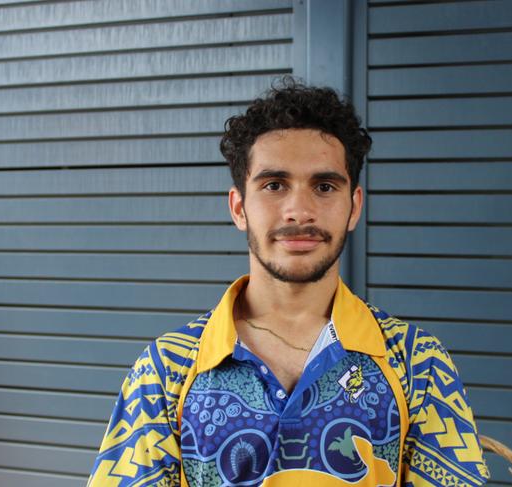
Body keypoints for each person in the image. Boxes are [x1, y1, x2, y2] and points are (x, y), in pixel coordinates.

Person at [88, 77, 490, 487]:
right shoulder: (165, 371)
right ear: (239, 207)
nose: (299, 210)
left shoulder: (417, 363)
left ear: (354, 208)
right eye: (274, 185)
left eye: (324, 186)